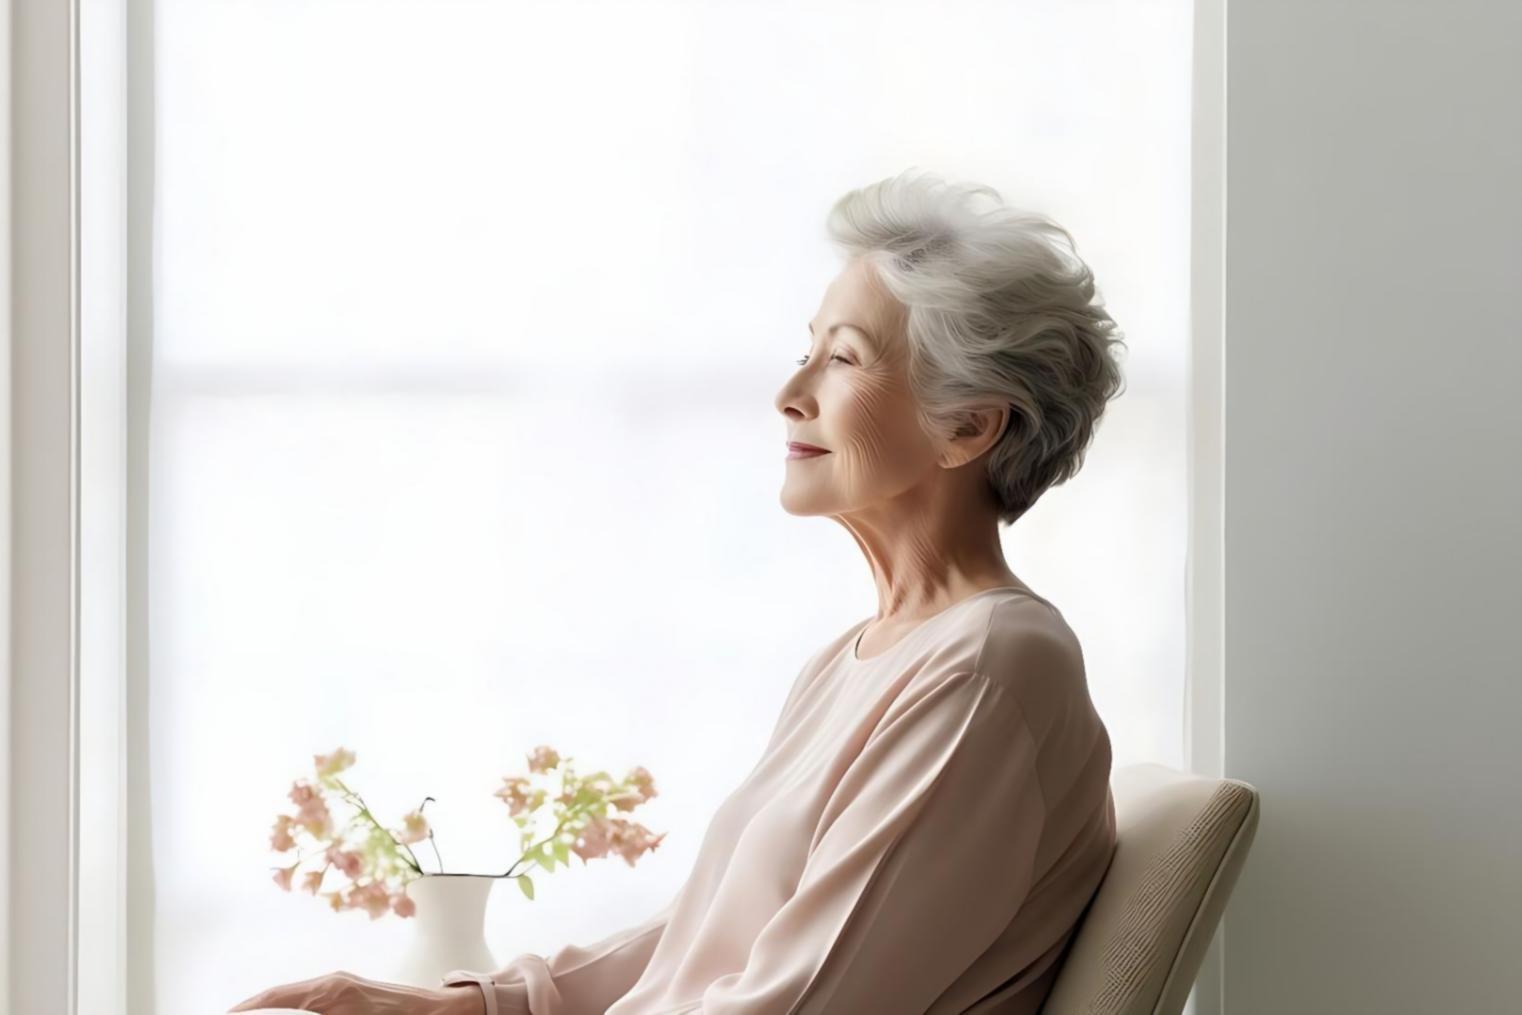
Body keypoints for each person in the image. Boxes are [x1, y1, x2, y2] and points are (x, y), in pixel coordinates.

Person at [229, 167, 1126, 1015]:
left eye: (843, 359)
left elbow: (798, 1002)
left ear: (967, 426)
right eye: (805, 351)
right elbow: (708, 933)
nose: (789, 393)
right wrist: (468, 1003)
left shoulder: (989, 667)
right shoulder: (859, 659)